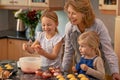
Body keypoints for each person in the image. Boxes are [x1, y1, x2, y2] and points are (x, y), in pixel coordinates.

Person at [62, 0, 120, 80]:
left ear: (84, 13)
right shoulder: (69, 28)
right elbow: (68, 52)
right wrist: (63, 71)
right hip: (82, 70)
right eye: (69, 12)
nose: (70, 16)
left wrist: (115, 72)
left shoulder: (98, 25)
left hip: (100, 71)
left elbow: (109, 52)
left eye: (74, 13)